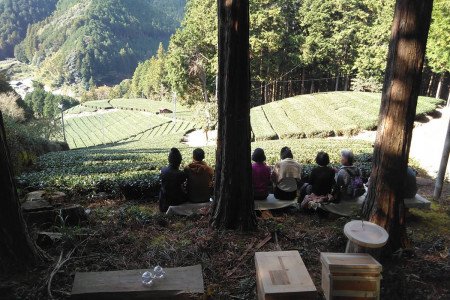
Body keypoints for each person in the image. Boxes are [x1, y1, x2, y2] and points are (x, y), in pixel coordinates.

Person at [159, 148, 187, 212]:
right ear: (180, 161)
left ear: (169, 160)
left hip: (163, 202)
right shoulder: (181, 174)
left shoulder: (163, 170)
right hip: (176, 201)